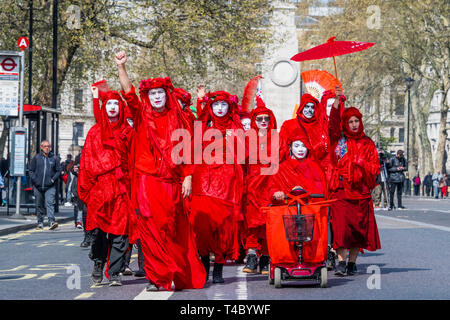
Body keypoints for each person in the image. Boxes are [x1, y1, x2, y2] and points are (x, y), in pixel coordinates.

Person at [116, 50, 206, 292]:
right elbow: (128, 94)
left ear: (167, 95)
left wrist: (188, 176)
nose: (156, 97)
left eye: (160, 93)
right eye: (152, 93)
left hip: (172, 181)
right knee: (150, 227)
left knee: (170, 228)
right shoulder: (141, 113)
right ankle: (157, 277)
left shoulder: (180, 119)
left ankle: (173, 270)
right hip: (146, 179)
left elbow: (188, 150)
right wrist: (121, 67)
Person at [78, 84, 138, 287]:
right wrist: (88, 189)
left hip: (122, 189)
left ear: (121, 107)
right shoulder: (95, 132)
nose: (112, 107)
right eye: (109, 103)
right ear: (104, 107)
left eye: (116, 103)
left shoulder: (128, 133)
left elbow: (134, 161)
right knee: (99, 232)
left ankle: (114, 272)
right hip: (100, 189)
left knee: (121, 233)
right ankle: (98, 262)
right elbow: (87, 162)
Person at [190, 90, 245, 284]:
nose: (220, 109)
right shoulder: (203, 127)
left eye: (223, 105)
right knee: (203, 227)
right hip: (204, 183)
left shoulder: (235, 127)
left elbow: (242, 153)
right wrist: (200, 100)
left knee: (223, 228)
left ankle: (219, 268)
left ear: (229, 107)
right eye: (216, 105)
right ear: (210, 108)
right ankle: (204, 264)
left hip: (226, 185)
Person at [328, 97, 381, 277]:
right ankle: (341, 262)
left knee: (358, 230)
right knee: (341, 228)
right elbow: (332, 124)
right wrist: (336, 105)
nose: (354, 124)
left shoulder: (367, 143)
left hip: (360, 192)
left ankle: (352, 262)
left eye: (356, 120)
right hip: (341, 191)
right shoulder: (338, 140)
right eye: (350, 121)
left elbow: (375, 167)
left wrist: (360, 164)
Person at [242, 95, 277, 275]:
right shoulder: (247, 138)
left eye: (266, 118)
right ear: (254, 121)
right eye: (259, 119)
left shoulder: (276, 138)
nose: (263, 121)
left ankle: (265, 257)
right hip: (252, 187)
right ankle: (252, 255)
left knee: (267, 224)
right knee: (251, 223)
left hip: (270, 187)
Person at [29, 140, 62, 230]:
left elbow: (59, 171)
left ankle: (51, 221)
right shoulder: (36, 158)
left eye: (48, 146)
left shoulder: (54, 158)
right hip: (38, 186)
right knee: (39, 205)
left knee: (50, 203)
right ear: (41, 147)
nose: (47, 148)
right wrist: (35, 180)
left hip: (50, 186)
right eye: (45, 146)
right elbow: (31, 170)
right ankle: (40, 223)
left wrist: (52, 180)